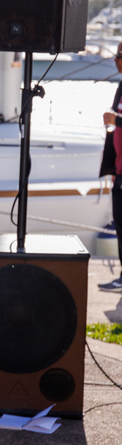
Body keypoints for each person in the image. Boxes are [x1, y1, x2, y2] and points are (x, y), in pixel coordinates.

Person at [98, 42, 122, 291]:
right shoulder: (121, 86)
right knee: (120, 226)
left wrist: (118, 120)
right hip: (120, 172)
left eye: (120, 56)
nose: (115, 60)